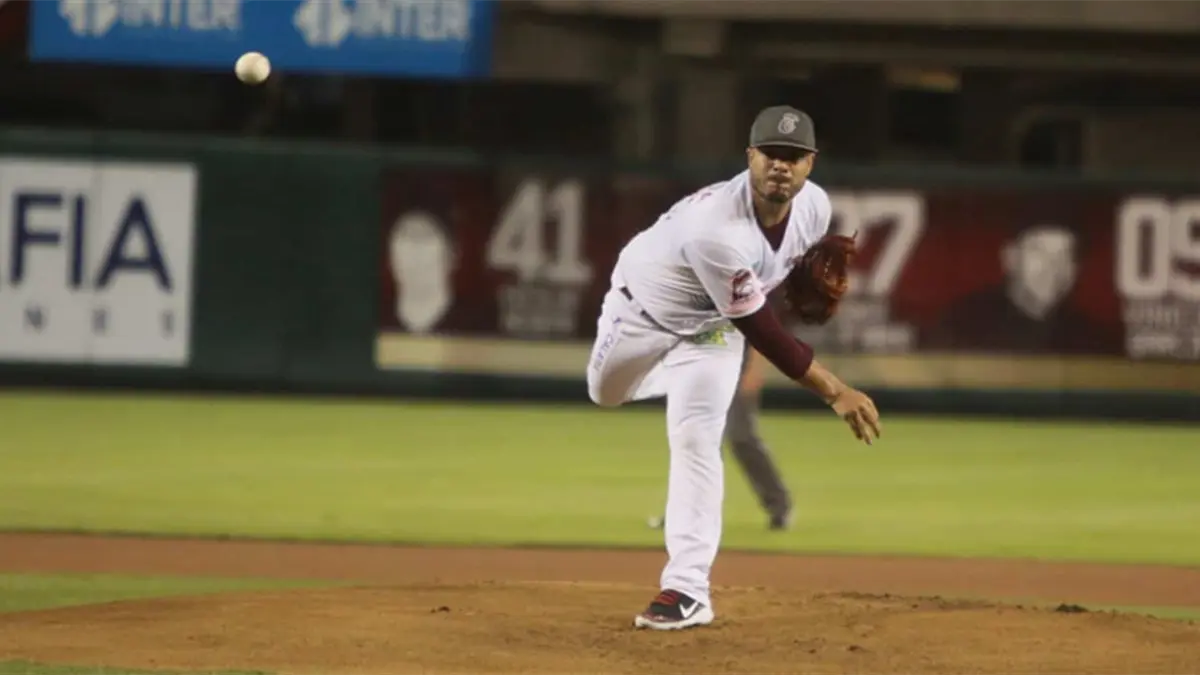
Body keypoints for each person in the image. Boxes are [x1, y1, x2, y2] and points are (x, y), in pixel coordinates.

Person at [586, 105, 881, 632]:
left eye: (793, 156)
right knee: (603, 394)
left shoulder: (815, 208)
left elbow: (770, 287)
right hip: (641, 315)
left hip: (711, 332)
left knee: (697, 439)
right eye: (771, 153)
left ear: (810, 163)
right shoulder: (715, 231)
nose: (781, 165)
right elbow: (764, 331)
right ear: (750, 156)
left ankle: (687, 589)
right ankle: (674, 378)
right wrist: (835, 390)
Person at [652, 344, 794, 532]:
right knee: (693, 441)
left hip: (734, 367)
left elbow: (761, 333)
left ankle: (779, 506)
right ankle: (683, 512)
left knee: (742, 437)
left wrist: (754, 370)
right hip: (697, 368)